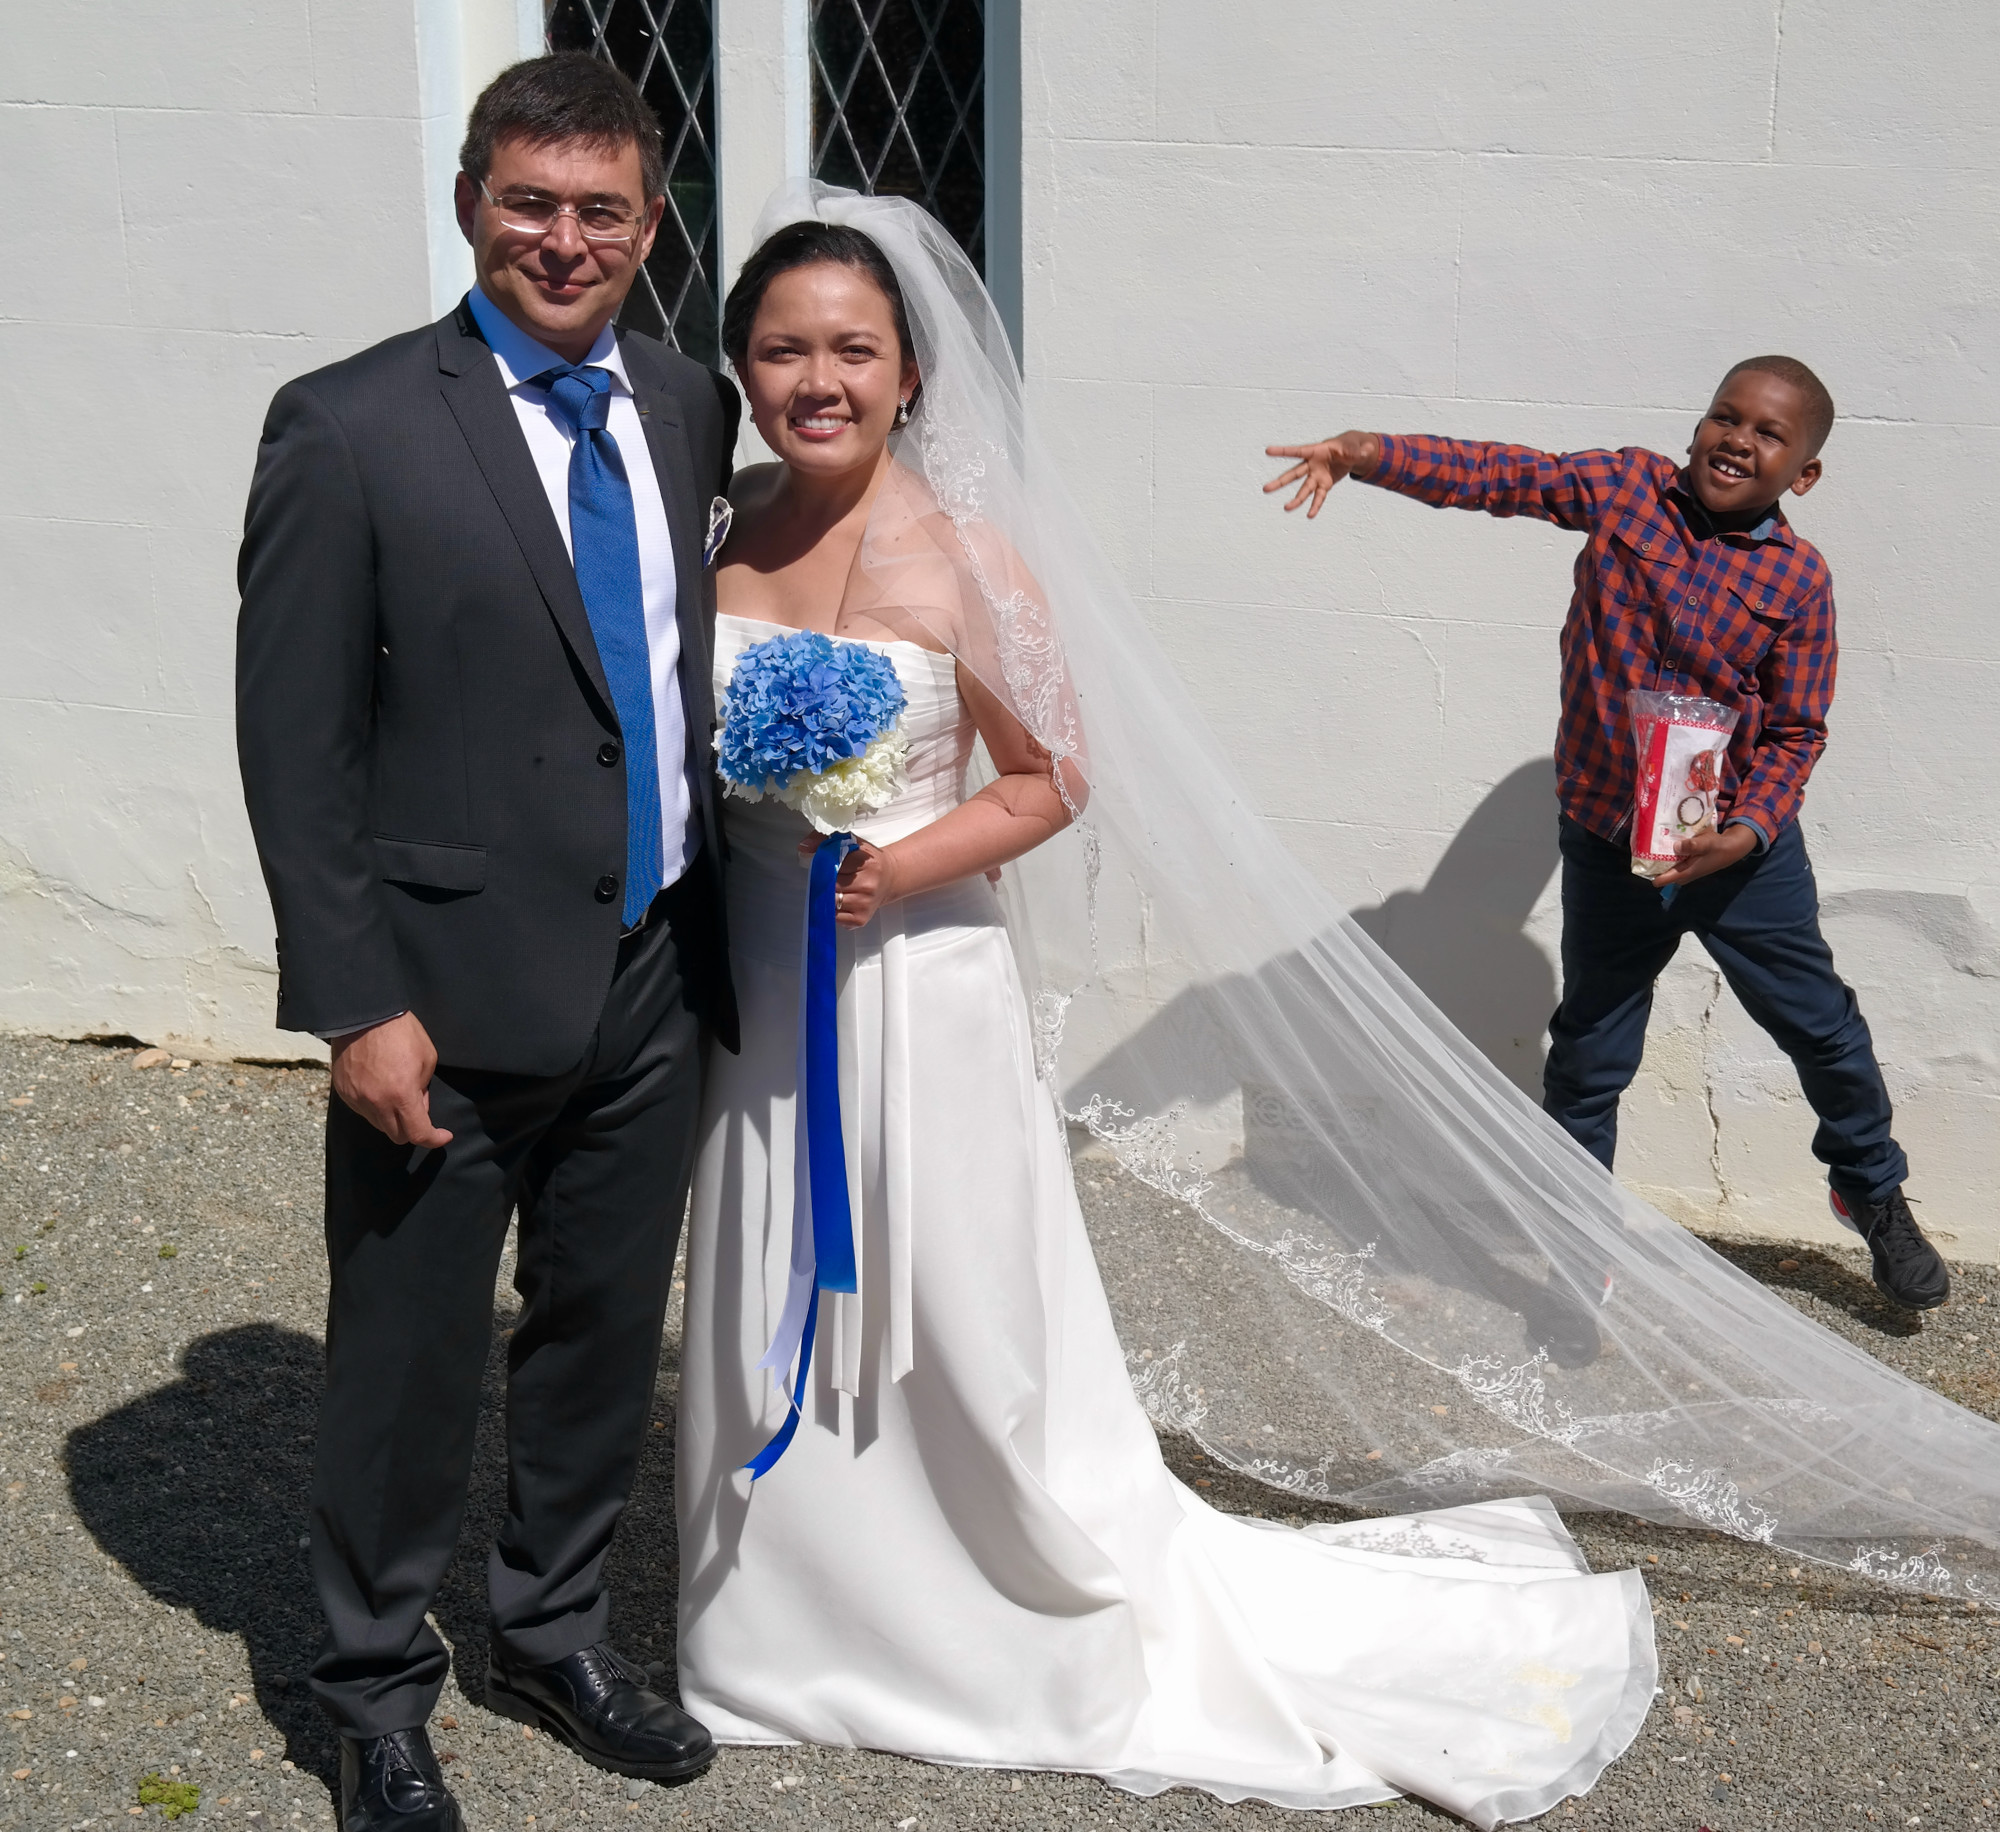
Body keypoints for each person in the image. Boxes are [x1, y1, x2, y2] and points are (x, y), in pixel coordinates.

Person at [672, 193, 1659, 1830]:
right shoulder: (725, 534)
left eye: (853, 346)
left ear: (911, 370)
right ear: (745, 366)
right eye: (784, 348)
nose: (816, 377)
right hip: (767, 982)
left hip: (915, 981)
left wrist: (904, 864)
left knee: (948, 1300)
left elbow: (1054, 777)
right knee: (776, 1260)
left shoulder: (965, 558)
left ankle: (986, 1618)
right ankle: (777, 1615)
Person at [236, 55, 737, 1832]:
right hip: (438, 1003)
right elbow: (294, 751)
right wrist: (355, 998)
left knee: (603, 1331)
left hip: (657, 970)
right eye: (531, 201)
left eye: (602, 210)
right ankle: (370, 1690)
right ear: (472, 204)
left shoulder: (685, 400)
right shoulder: (350, 423)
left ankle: (549, 1627)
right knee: (405, 1356)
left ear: (651, 227)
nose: (564, 239)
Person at [1263, 364, 1949, 1311]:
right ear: (1699, 423)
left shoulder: (1799, 580)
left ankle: (1870, 1191)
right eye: (1725, 415)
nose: (1739, 438)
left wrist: (1745, 834)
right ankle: (1579, 1246)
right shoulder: (1628, 489)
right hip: (1609, 843)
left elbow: (1797, 732)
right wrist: (1366, 455)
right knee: (1589, 1054)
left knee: (1823, 1031)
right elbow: (1501, 475)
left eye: (1770, 434)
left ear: (1805, 474)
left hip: (1735, 856)